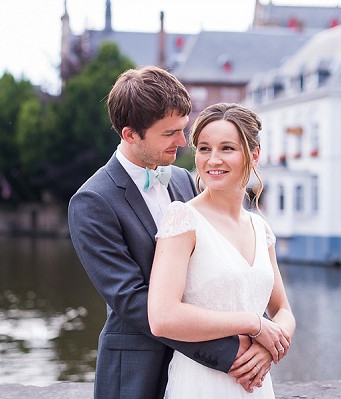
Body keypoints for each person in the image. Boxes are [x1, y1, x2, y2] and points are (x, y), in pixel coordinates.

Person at [69, 67, 274, 399]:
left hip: (207, 370)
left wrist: (262, 337)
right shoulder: (92, 202)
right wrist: (232, 348)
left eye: (183, 129)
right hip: (139, 372)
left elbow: (229, 264)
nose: (183, 142)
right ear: (130, 134)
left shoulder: (181, 179)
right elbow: (133, 300)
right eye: (169, 134)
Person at [147, 102, 295, 398]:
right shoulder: (183, 218)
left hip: (255, 383)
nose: (213, 160)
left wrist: (268, 348)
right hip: (202, 382)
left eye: (227, 148)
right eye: (204, 148)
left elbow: (283, 311)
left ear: (253, 155)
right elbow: (162, 317)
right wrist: (254, 325)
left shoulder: (260, 227)